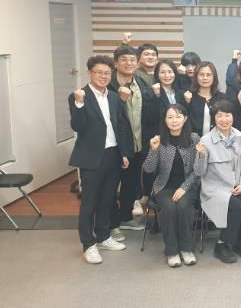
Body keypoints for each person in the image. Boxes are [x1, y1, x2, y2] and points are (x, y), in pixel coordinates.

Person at [69, 55, 133, 264]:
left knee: (107, 199)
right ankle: (88, 244)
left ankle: (104, 236)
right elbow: (78, 127)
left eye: (107, 73)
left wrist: (124, 153)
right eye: (99, 72)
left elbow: (120, 127)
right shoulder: (79, 96)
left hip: (113, 154)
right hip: (91, 158)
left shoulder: (114, 97)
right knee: (90, 202)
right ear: (90, 73)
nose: (103, 76)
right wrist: (79, 104)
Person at [194, 100, 241, 263]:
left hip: (237, 185)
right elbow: (199, 172)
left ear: (233, 117)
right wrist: (201, 155)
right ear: (214, 118)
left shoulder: (240, 136)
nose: (224, 119)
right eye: (219, 116)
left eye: (227, 115)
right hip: (215, 189)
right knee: (237, 206)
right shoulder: (206, 140)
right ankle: (222, 244)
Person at [109, 45, 159, 235]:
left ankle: (125, 217)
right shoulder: (110, 85)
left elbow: (149, 115)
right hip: (116, 145)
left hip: (137, 144)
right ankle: (111, 223)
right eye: (124, 60)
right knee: (111, 185)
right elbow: (107, 116)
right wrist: (120, 100)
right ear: (116, 63)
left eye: (132, 60)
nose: (128, 63)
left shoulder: (140, 82)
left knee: (130, 184)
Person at [142, 104, 200, 267]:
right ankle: (172, 251)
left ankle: (187, 249)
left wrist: (184, 187)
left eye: (178, 116)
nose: (174, 121)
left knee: (184, 206)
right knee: (169, 208)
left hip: (187, 186)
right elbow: (148, 169)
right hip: (164, 186)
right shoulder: (159, 140)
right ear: (165, 120)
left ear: (185, 118)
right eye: (170, 117)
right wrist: (153, 150)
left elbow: (198, 171)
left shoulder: (194, 139)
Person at [187, 61, 228, 137]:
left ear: (214, 77)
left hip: (217, 140)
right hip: (193, 140)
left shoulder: (222, 98)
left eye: (208, 75)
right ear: (196, 77)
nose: (205, 78)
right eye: (201, 75)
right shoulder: (189, 97)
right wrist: (187, 103)